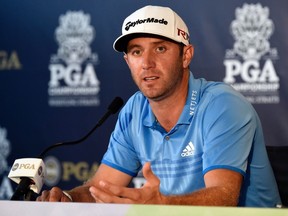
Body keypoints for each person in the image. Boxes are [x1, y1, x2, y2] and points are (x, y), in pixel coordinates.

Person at [37, 5, 281, 207]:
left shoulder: (223, 105)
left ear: (186, 55)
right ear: (127, 61)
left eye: (160, 48)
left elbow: (223, 198)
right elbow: (101, 189)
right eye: (136, 51)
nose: (147, 63)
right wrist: (67, 198)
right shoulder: (134, 110)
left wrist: (161, 204)